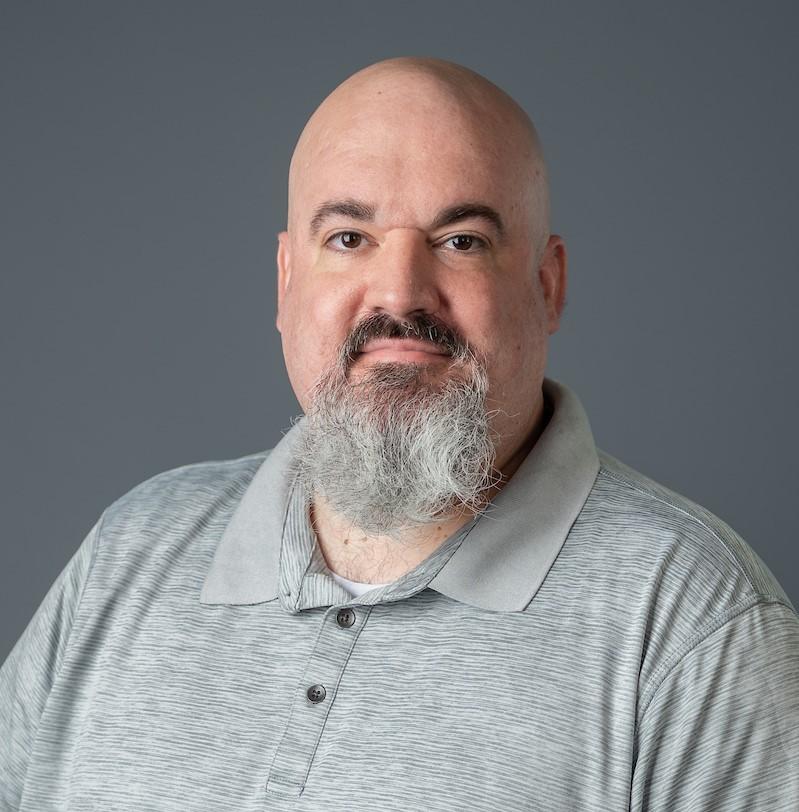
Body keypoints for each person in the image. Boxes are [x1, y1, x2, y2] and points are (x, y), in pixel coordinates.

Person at [1, 56, 797, 811]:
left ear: (546, 288)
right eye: (349, 238)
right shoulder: (131, 553)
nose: (400, 294)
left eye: (461, 241)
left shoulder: (697, 621)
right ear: (286, 281)